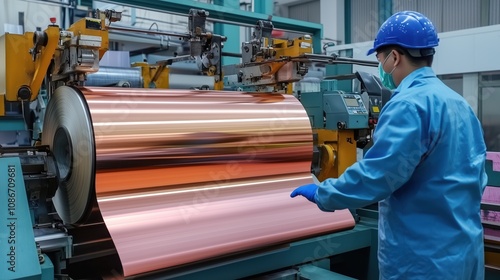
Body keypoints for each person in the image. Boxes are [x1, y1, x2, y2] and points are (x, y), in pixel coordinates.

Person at [291, 11, 488, 280]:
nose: (382, 67)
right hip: (464, 250)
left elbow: (378, 176)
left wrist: (324, 194)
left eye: (381, 58)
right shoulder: (459, 104)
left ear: (394, 57)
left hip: (422, 258)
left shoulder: (407, 104)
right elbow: (478, 175)